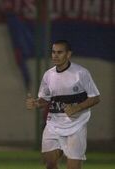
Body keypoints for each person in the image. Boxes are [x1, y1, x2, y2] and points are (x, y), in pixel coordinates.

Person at [26, 40, 100, 169]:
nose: (55, 55)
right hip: (53, 124)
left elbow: (95, 98)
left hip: (76, 126)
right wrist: (36, 103)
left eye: (59, 52)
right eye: (53, 52)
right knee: (49, 163)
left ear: (68, 54)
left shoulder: (81, 73)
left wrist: (77, 108)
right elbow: (45, 99)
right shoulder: (48, 75)